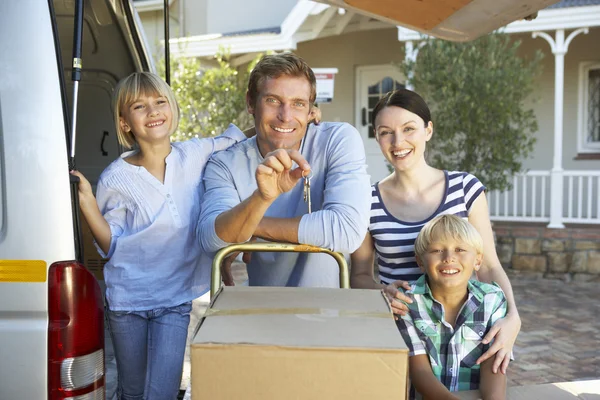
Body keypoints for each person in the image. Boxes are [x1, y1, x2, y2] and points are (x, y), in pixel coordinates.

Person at [70, 72, 251, 400]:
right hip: (128, 301)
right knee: (133, 391)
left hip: (174, 299)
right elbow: (110, 245)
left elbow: (241, 138)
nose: (152, 111)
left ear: (172, 109)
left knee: (162, 393)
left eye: (159, 102)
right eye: (139, 106)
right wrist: (87, 203)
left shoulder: (195, 154)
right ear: (125, 123)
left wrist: (299, 121)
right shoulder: (115, 178)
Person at [350, 89, 520, 374]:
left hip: (464, 332)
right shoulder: (365, 201)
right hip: (399, 331)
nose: (398, 142)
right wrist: (382, 293)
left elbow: (488, 266)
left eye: (409, 129)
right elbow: (360, 276)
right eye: (385, 132)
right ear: (377, 138)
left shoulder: (465, 188)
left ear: (428, 130)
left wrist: (513, 316)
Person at [197, 53, 371, 288]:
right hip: (263, 307)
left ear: (311, 111)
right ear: (250, 103)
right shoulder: (224, 163)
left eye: (298, 103)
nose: (286, 116)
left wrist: (251, 226)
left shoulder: (337, 140)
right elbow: (210, 238)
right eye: (273, 100)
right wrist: (262, 198)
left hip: (330, 309)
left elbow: (346, 231)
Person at [398, 214, 508, 399]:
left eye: (460, 249)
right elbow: (420, 372)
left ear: (478, 261)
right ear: (420, 262)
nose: (449, 258)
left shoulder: (492, 299)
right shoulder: (407, 303)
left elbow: (495, 364)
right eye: (437, 250)